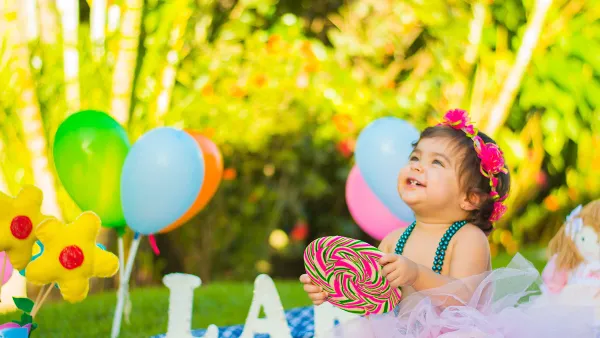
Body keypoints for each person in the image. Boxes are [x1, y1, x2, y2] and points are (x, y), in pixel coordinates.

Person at [299, 109, 596, 337]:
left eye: (436, 163)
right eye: (415, 157)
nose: (417, 165)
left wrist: (416, 273)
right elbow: (375, 297)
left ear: (470, 198)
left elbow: (464, 300)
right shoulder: (394, 239)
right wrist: (334, 291)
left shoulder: (466, 238)